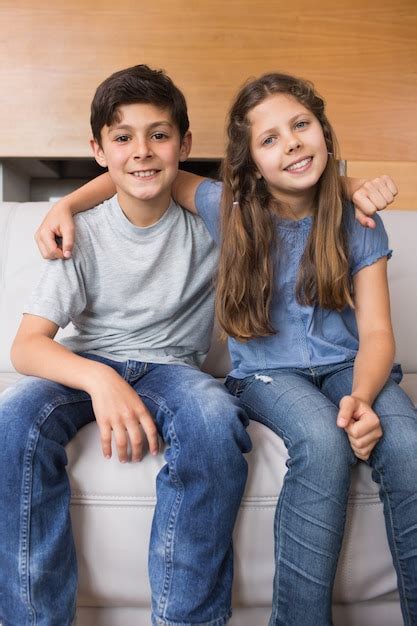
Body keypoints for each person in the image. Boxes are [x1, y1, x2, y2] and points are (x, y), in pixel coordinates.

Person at [36, 72, 416, 626]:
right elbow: (145, 176)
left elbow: (378, 334)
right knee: (322, 442)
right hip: (269, 374)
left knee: (407, 445)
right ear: (251, 163)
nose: (289, 143)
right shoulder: (228, 206)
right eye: (269, 140)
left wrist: (361, 397)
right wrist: (65, 203)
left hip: (349, 367)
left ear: (325, 134)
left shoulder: (357, 219)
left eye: (301, 126)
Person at [0, 64, 252, 626]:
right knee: (12, 419)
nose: (141, 151)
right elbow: (27, 347)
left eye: (158, 135)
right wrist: (99, 378)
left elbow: (282, 199)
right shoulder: (83, 231)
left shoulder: (212, 221)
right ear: (98, 149)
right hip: (90, 360)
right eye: (122, 138)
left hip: (175, 369)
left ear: (184, 144)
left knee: (214, 417)